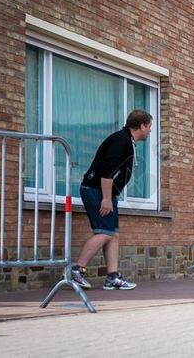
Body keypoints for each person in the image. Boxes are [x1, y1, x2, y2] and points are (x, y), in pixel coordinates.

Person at [69, 109, 152, 291]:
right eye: (149, 127)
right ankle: (76, 271)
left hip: (105, 192)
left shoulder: (126, 141)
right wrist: (106, 199)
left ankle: (112, 277)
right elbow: (106, 172)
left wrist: (109, 196)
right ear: (142, 125)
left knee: (113, 233)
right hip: (95, 190)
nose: (150, 131)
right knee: (105, 232)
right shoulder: (121, 141)